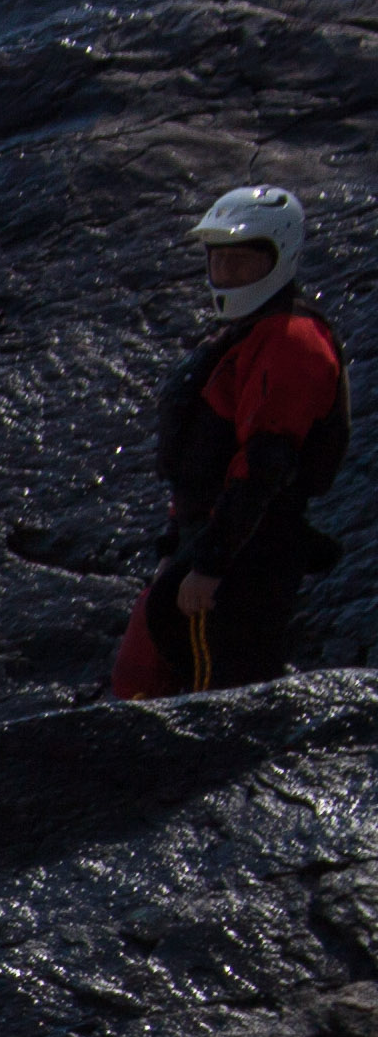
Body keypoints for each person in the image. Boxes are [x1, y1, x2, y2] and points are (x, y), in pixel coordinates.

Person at [111, 185, 348, 699]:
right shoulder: (242, 336)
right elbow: (201, 458)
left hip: (248, 553)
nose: (227, 275)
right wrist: (175, 547)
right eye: (219, 261)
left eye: (242, 263)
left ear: (280, 258)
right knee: (150, 676)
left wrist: (210, 564)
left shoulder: (291, 339)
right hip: (208, 541)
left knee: (218, 695)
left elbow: (267, 462)